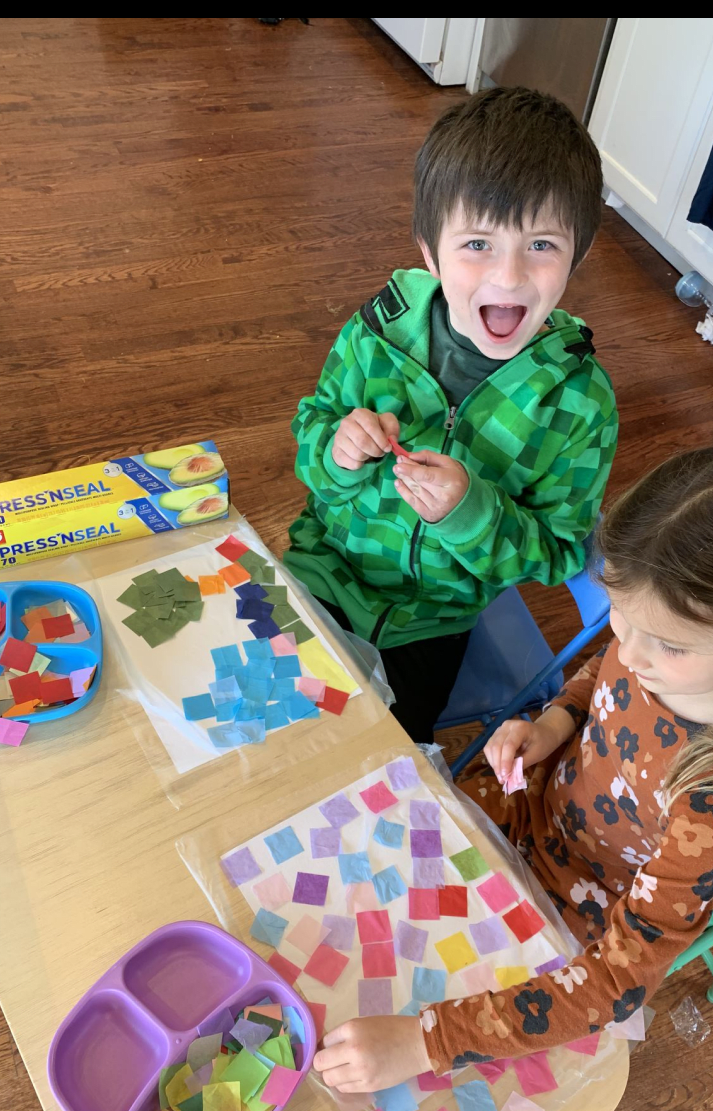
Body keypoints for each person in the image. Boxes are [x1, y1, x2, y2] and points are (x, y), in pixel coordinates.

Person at [312, 446, 713, 1091]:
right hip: (525, 803)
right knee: (354, 898)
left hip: (581, 909)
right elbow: (604, 674)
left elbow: (616, 984)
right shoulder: (655, 639)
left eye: (667, 644)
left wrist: (427, 1043)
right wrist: (554, 723)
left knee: (422, 1015)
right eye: (619, 614)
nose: (630, 648)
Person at [282, 87, 618, 743]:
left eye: (542, 244)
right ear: (429, 254)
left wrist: (472, 511)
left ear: (577, 255)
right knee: (245, 719)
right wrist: (335, 452)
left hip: (433, 621)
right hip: (322, 571)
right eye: (476, 244)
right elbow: (311, 430)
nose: (510, 275)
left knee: (366, 764)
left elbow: (555, 552)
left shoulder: (580, 403)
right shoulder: (376, 331)